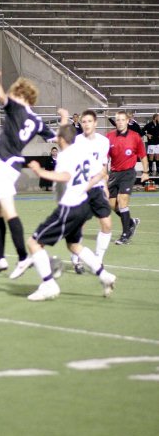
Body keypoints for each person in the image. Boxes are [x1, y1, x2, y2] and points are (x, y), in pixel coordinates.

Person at [26, 124, 116, 301]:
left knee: (34, 243)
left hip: (69, 208)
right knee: (73, 246)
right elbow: (100, 173)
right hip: (83, 205)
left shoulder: (65, 155)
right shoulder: (83, 152)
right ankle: (104, 275)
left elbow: (65, 176)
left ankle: (49, 285)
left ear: (61, 139)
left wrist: (40, 171)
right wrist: (84, 188)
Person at [0, 70, 60, 279]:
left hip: (2, 161)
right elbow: (56, 138)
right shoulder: (37, 120)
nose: (12, 95)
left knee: (8, 211)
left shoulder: (16, 106)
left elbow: (0, 95)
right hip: (15, 163)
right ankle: (0, 259)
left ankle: (22, 257)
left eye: (15, 92)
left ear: (21, 95)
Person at [68, 109, 112, 273]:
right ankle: (76, 258)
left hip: (98, 186)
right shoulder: (76, 141)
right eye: (83, 121)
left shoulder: (103, 141)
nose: (86, 124)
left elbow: (102, 164)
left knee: (106, 224)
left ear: (95, 123)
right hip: (81, 188)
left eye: (89, 121)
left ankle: (98, 260)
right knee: (82, 225)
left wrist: (105, 186)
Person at [107, 110, 149, 245]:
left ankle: (126, 234)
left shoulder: (135, 136)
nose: (119, 122)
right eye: (117, 120)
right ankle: (131, 222)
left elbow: (143, 156)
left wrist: (145, 172)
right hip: (114, 174)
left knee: (122, 200)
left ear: (127, 121)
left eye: (122, 120)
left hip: (128, 173)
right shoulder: (109, 137)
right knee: (112, 205)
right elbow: (104, 157)